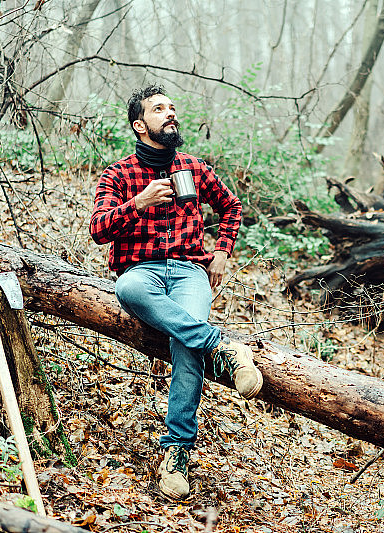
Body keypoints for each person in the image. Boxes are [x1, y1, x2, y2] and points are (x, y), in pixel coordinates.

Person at [89, 85, 263, 500]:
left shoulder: (194, 167)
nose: (171, 114)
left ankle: (176, 454)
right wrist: (139, 202)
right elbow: (98, 230)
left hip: (190, 271)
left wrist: (221, 251)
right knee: (128, 288)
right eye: (159, 109)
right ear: (139, 124)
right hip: (142, 271)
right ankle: (222, 347)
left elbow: (232, 207)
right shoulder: (118, 174)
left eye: (172, 108)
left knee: (185, 344)